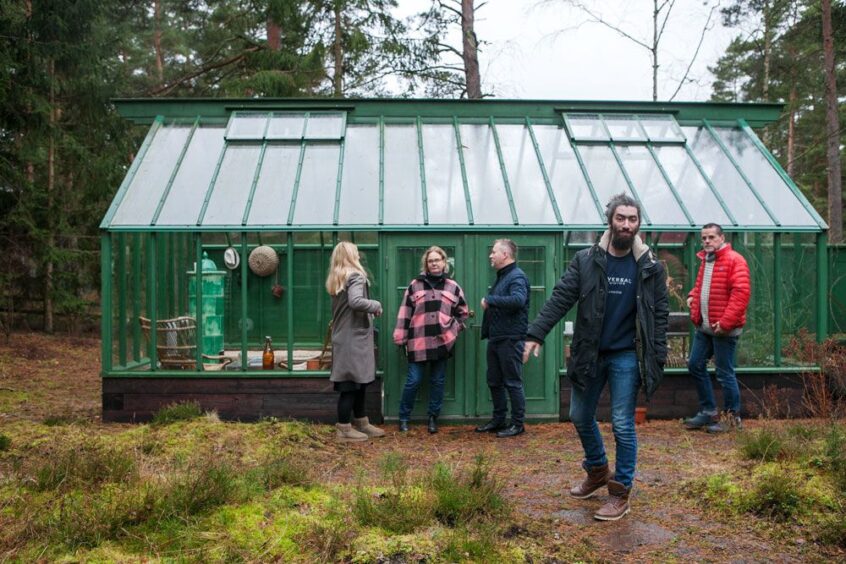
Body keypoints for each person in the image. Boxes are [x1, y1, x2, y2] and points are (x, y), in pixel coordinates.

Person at [523, 193, 669, 521]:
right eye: (621, 218)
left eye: (633, 219)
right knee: (578, 414)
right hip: (590, 352)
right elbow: (560, 298)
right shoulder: (587, 260)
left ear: (638, 224)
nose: (627, 225)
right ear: (610, 220)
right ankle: (598, 469)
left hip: (627, 356)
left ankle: (620, 493)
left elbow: (659, 313)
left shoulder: (650, 266)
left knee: (622, 423)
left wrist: (657, 357)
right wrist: (535, 334)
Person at [393, 246, 469, 434]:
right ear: (426, 264)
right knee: (413, 381)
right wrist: (400, 337)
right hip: (418, 341)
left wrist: (454, 328)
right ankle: (403, 418)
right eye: (430, 261)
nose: (434, 263)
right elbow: (405, 313)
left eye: (437, 260)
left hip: (442, 342)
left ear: (444, 262)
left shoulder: (453, 287)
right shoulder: (415, 285)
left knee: (438, 381)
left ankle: (433, 418)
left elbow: (463, 313)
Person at [683, 223, 751, 433]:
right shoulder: (707, 260)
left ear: (722, 238)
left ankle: (732, 419)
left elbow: (740, 295)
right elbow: (704, 285)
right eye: (704, 238)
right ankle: (708, 412)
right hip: (705, 328)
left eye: (711, 237)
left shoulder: (734, 260)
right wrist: (693, 296)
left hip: (724, 330)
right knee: (695, 365)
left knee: (724, 373)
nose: (707, 241)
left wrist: (725, 323)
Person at [325, 241, 385, 442]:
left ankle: (362, 422)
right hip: (354, 340)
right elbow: (356, 302)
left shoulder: (338, 279)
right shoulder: (356, 276)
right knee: (350, 385)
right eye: (356, 253)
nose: (359, 256)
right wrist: (376, 304)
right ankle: (343, 428)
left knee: (359, 382)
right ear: (351, 256)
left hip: (346, 337)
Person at [476, 239, 530, 438]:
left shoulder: (516, 276)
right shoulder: (503, 276)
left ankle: (518, 424)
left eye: (494, 252)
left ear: (505, 255)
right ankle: (499, 420)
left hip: (511, 338)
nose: (491, 255)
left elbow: (518, 300)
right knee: (494, 381)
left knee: (513, 382)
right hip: (497, 338)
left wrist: (490, 300)